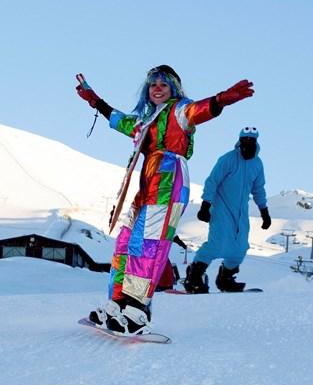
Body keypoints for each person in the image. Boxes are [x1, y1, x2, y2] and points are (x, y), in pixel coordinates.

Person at [76, 65, 254, 333]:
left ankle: (137, 309)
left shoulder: (178, 110)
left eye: (164, 84)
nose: (157, 88)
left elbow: (198, 111)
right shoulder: (146, 121)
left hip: (169, 178)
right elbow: (119, 119)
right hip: (146, 182)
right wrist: (94, 99)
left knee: (149, 242)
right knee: (126, 240)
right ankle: (118, 302)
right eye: (152, 84)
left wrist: (220, 100)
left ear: (174, 89)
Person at [183, 126, 271, 293]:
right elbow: (212, 181)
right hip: (221, 208)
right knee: (216, 244)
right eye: (245, 140)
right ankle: (194, 276)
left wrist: (264, 211)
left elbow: (258, 189)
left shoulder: (257, 164)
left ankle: (226, 278)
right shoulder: (228, 159)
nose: (248, 143)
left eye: (251, 141)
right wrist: (205, 205)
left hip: (241, 212)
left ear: (256, 142)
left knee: (240, 247)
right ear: (239, 141)